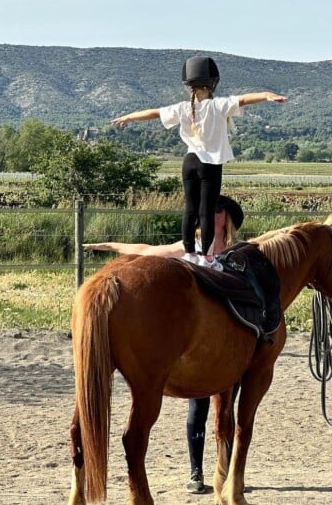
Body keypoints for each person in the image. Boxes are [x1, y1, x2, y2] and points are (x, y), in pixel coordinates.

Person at [84, 194, 244, 494]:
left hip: (227, 338)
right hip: (199, 340)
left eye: (218, 209)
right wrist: (114, 246)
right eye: (208, 207)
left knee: (228, 409)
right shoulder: (189, 247)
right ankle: (196, 471)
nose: (212, 212)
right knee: (198, 409)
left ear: (227, 218)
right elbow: (147, 251)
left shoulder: (237, 253)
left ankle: (226, 469)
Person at [112, 56, 285, 267]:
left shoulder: (183, 108)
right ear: (213, 83)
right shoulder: (219, 105)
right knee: (206, 211)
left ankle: (190, 253)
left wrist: (129, 117)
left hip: (189, 161)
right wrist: (267, 95)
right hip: (209, 163)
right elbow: (245, 99)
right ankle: (207, 258)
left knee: (190, 210)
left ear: (188, 86)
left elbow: (155, 113)